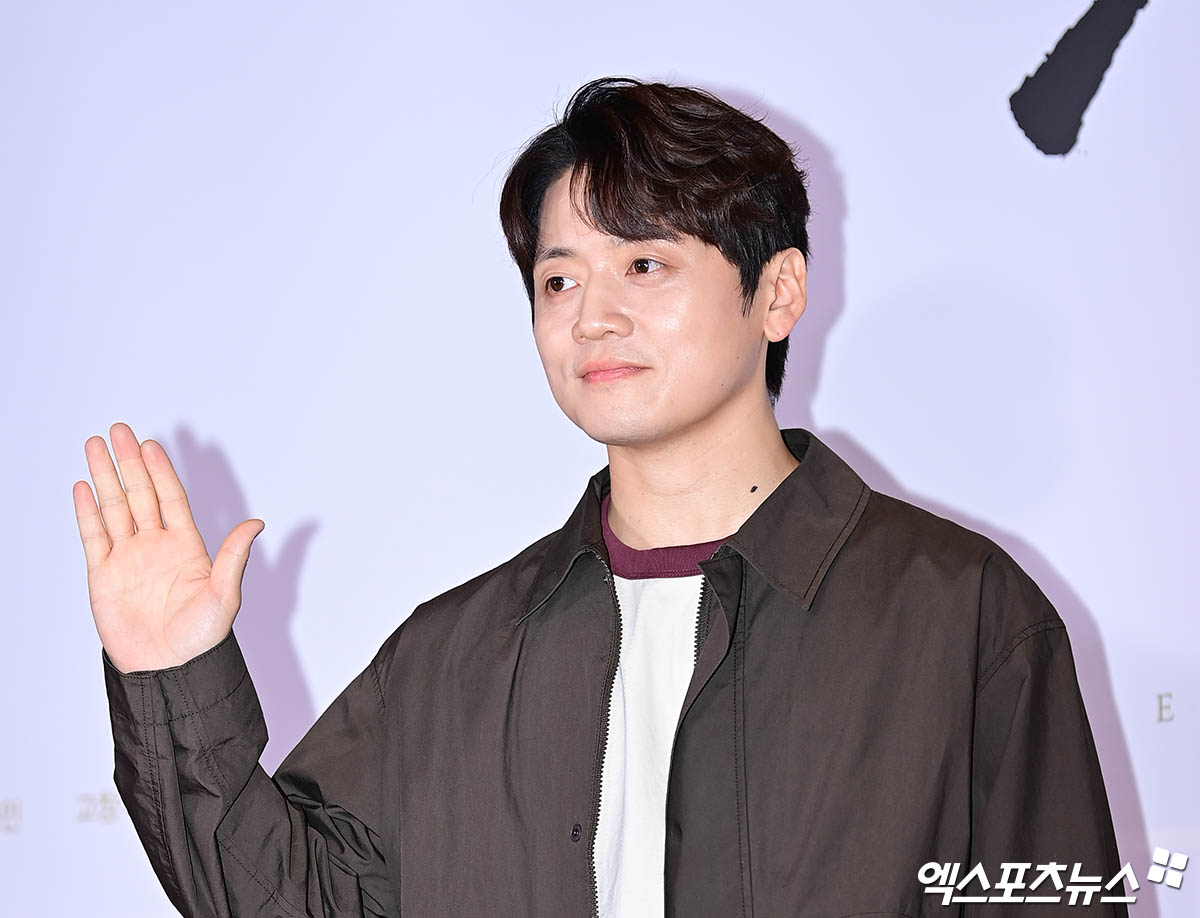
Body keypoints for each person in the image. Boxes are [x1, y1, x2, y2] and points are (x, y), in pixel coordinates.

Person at [75, 76, 1128, 917]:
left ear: (778, 292)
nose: (593, 317)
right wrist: (171, 674)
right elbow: (297, 901)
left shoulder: (960, 615)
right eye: (560, 279)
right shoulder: (452, 655)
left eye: (646, 264)